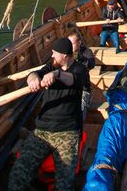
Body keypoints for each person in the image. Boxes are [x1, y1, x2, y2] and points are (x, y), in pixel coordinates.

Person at [8, 37, 88, 191]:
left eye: (54, 53)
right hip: (42, 131)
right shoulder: (51, 65)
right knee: (17, 175)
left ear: (65, 55)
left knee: (65, 183)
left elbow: (73, 80)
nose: (51, 56)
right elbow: (34, 73)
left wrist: (56, 75)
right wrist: (33, 79)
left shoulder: (79, 69)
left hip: (67, 132)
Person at [68, 30, 95, 120]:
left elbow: (91, 64)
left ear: (79, 43)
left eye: (72, 43)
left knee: (81, 108)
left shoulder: (87, 52)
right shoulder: (67, 53)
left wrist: (81, 58)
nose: (70, 46)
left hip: (83, 89)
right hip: (68, 88)